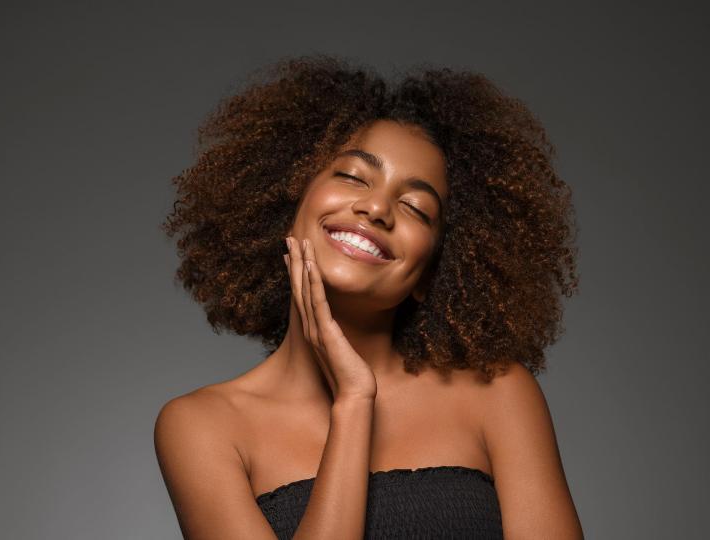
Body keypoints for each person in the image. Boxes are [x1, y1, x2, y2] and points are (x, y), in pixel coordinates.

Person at [154, 55, 584, 539]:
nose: (377, 208)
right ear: (287, 204)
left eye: (415, 207)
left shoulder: (499, 394)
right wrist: (354, 403)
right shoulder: (203, 426)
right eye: (353, 177)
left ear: (430, 272)